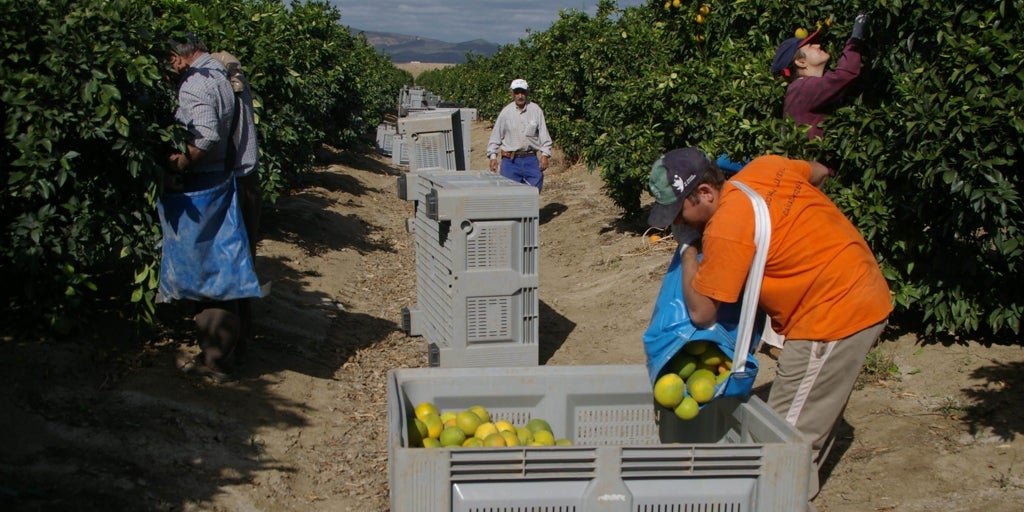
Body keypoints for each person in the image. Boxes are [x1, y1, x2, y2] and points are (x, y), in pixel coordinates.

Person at [647, 148, 892, 501]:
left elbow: (702, 314)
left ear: (705, 193)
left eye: (680, 214)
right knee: (801, 417)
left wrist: (687, 251)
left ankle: (780, 501)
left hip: (833, 315)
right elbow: (820, 172)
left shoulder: (727, 228)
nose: (677, 225)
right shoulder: (766, 167)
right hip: (859, 281)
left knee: (779, 445)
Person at [166, 34, 249, 381]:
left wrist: (178, 164)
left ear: (176, 58)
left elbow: (206, 135)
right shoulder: (224, 74)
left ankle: (215, 363)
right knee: (229, 267)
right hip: (232, 179)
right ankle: (234, 349)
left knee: (211, 271)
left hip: (208, 182)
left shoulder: (195, 85)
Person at [211, 50, 262, 363]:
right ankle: (241, 340)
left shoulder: (223, 91)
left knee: (225, 271)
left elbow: (209, 142)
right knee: (243, 266)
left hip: (231, 186)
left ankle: (224, 354)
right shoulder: (241, 88)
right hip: (248, 184)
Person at [771, 14, 869, 142]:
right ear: (801, 62)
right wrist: (855, 40)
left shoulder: (803, 89)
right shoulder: (800, 88)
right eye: (811, 46)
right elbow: (843, 75)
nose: (818, 46)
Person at [485, 79, 553, 191]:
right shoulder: (505, 113)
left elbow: (544, 135)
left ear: (527, 93)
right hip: (510, 161)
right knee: (510, 195)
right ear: (512, 94)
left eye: (522, 92)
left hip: (531, 159)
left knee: (533, 191)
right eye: (517, 93)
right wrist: (493, 157)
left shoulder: (536, 110)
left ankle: (529, 208)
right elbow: (495, 137)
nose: (520, 96)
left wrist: (545, 155)